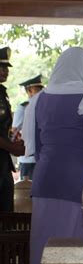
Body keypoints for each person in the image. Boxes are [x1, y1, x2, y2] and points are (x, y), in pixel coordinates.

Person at [23, 47, 83, 264]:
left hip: (45, 181)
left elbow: (38, 147)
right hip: (78, 184)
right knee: (75, 251)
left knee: (46, 242)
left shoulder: (41, 99)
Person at [0, 46, 25, 212]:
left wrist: (13, 145)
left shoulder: (2, 92)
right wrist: (12, 147)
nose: (5, 71)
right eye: (0, 67)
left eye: (6, 68)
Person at [12, 74, 44, 180]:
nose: (40, 92)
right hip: (33, 159)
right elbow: (14, 133)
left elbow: (13, 134)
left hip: (37, 158)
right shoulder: (24, 108)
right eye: (38, 89)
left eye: (41, 89)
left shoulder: (25, 107)